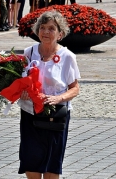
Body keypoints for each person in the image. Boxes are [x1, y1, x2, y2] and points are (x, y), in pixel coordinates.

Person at [18, 10, 80, 178]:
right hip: (30, 114)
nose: (46, 32)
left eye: (51, 28)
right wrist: (22, 91)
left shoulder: (67, 56)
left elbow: (75, 88)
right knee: (31, 165)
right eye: (43, 27)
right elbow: (20, 80)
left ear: (60, 34)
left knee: (52, 168)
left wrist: (58, 98)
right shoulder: (29, 53)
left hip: (56, 116)